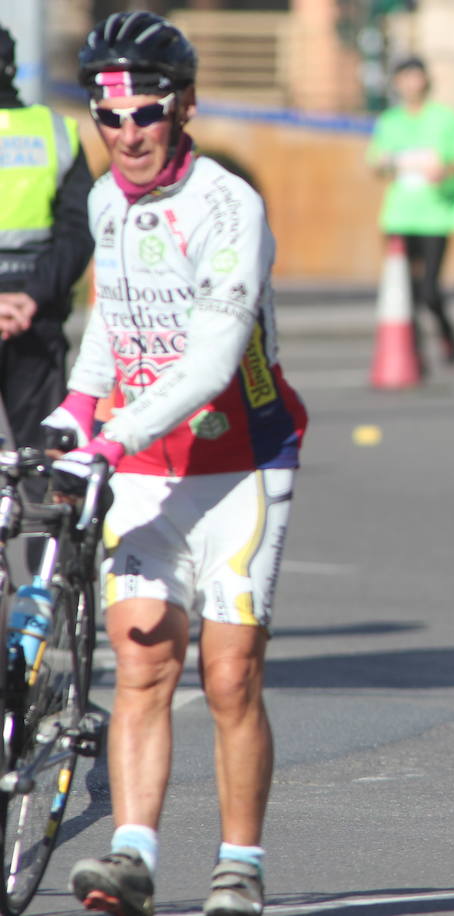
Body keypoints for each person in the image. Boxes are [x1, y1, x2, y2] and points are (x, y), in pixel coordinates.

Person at [44, 12, 307, 916]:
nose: (125, 136)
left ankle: (240, 863)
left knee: (229, 673)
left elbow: (211, 360)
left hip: (243, 463)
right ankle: (131, 855)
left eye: (145, 114)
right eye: (106, 117)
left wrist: (110, 438)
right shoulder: (104, 198)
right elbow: (114, 326)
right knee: (144, 657)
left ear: (184, 107)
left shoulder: (229, 206)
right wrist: (78, 408)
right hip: (148, 465)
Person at [0, 22, 93, 465]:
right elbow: (79, 231)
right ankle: (45, 535)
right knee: (42, 466)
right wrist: (30, 297)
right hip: (35, 317)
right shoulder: (56, 132)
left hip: (25, 312)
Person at [367, 56, 454, 368]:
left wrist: (446, 169)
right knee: (405, 293)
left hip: (435, 216)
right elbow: (375, 162)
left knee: (429, 289)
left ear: (426, 81)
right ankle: (412, 353)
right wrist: (383, 162)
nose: (411, 84)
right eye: (405, 78)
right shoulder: (389, 121)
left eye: (416, 77)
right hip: (399, 217)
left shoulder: (445, 118)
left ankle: (446, 331)